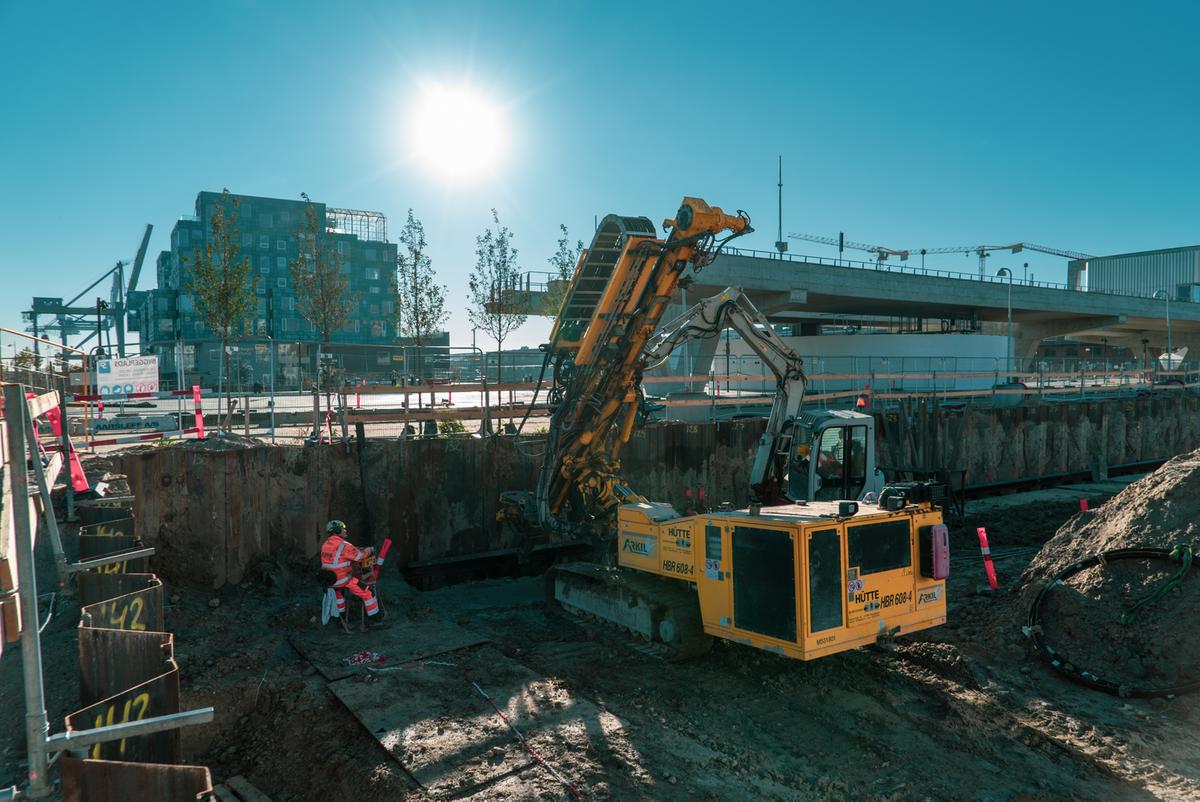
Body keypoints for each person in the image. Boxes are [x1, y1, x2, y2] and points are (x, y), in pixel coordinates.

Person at [319, 520, 381, 624]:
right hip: (342, 579)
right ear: (337, 530)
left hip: (329, 581)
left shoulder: (325, 544)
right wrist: (369, 550)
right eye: (343, 528)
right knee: (367, 591)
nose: (345, 530)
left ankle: (340, 618)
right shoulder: (344, 545)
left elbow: (337, 556)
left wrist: (353, 550)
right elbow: (360, 556)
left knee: (338, 593)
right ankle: (375, 619)